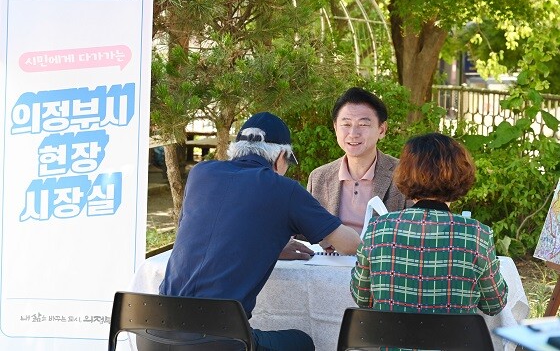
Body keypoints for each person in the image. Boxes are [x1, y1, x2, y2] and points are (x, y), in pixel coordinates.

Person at [158, 112, 361, 351]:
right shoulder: (284, 189)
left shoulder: (200, 173)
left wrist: (269, 245)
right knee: (302, 342)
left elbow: (208, 232)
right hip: (217, 340)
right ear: (280, 157)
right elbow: (351, 244)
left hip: (154, 332)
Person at [351, 132, 508, 319]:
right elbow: (494, 304)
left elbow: (362, 297)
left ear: (404, 173)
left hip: (392, 344)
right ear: (461, 173)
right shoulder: (476, 234)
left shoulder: (378, 228)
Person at [307, 87, 410, 238]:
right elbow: (306, 235)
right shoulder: (318, 177)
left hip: (381, 260)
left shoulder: (405, 174)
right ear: (335, 128)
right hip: (329, 260)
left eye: (363, 124)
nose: (353, 134)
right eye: (346, 125)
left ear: (382, 130)